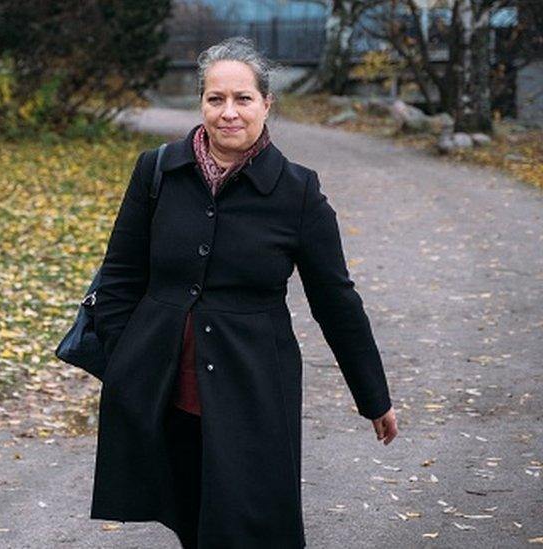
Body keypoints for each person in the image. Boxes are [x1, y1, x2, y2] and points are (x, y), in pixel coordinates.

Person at [89, 36, 398, 548]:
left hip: (254, 390)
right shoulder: (157, 171)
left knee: (250, 526)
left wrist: (373, 397)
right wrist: (127, 358)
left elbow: (336, 300)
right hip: (167, 386)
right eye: (216, 99)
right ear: (201, 103)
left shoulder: (297, 191)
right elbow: (119, 278)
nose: (228, 113)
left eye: (243, 99)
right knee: (191, 517)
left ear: (266, 103)